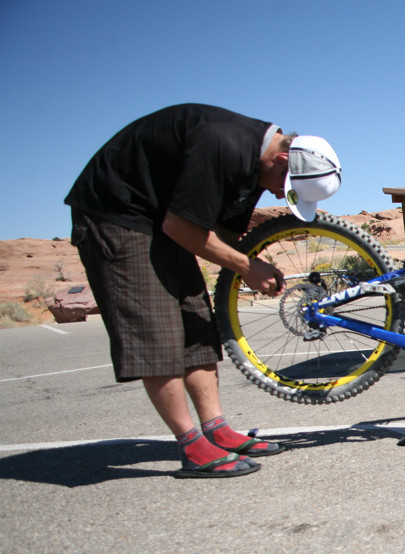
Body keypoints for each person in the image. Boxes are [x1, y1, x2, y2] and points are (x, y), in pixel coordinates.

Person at [65, 103, 342, 478]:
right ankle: (192, 445)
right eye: (285, 187)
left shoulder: (256, 164)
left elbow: (225, 233)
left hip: (162, 221)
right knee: (156, 333)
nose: (280, 195)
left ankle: (216, 430)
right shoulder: (223, 145)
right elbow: (182, 226)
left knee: (196, 323)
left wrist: (247, 264)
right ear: (280, 159)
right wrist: (246, 266)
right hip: (120, 218)